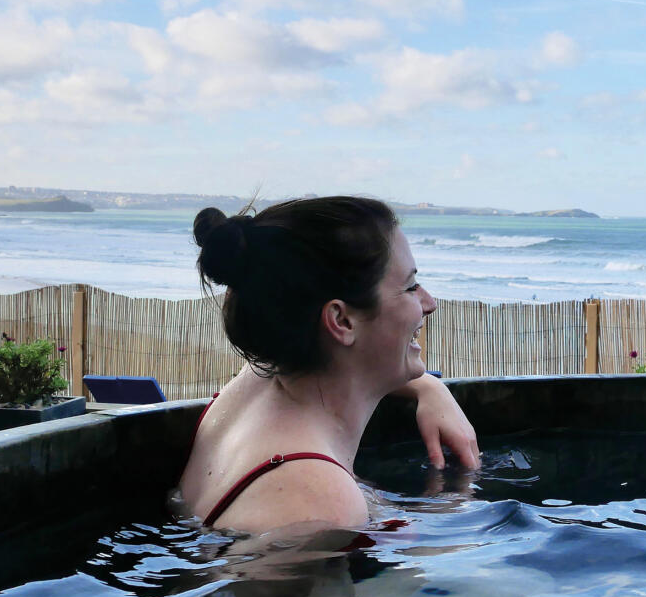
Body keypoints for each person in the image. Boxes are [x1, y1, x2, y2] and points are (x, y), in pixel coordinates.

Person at [178, 196, 480, 534]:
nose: (429, 303)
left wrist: (428, 386)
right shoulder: (320, 508)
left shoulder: (258, 380)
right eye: (410, 287)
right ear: (341, 320)